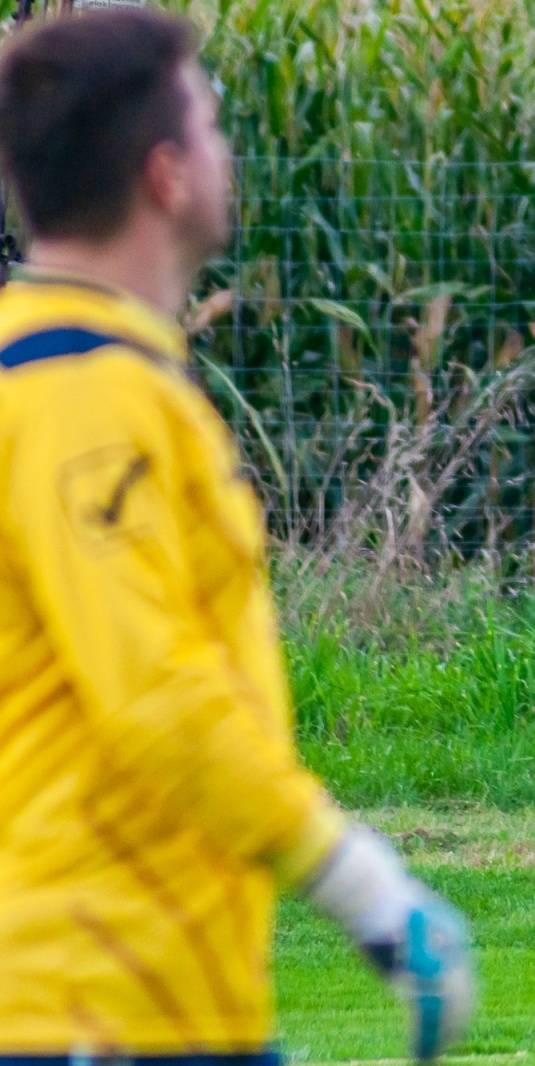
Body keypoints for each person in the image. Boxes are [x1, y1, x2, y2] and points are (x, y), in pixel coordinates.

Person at [0, 11, 473, 1061]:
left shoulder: (77, 376)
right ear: (166, 176)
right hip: (97, 997)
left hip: (157, 995)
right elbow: (155, 689)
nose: (231, 153)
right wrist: (368, 890)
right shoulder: (87, 397)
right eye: (213, 126)